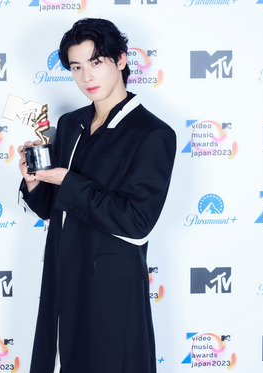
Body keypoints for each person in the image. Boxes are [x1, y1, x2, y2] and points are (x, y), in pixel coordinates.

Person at [17, 18, 176, 373]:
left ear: (120, 60)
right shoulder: (70, 124)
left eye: (96, 62)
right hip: (61, 277)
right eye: (76, 67)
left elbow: (137, 223)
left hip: (110, 291)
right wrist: (34, 181)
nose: (86, 76)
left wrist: (69, 181)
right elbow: (51, 208)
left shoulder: (153, 134)